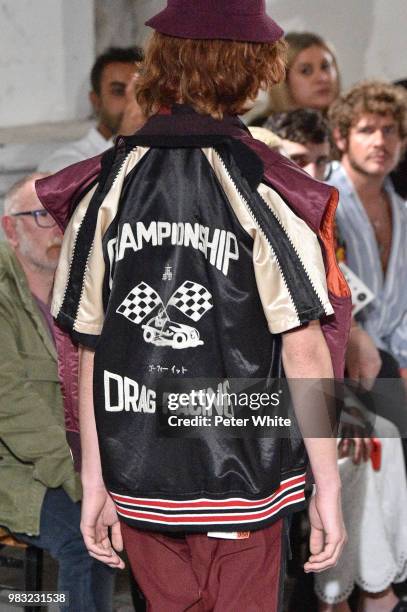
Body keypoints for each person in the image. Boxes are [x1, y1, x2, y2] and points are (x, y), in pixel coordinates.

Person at [36, 2, 352, 610]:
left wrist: (95, 478)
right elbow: (304, 343)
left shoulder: (103, 187)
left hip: (139, 468)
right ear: (259, 67)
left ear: (162, 63)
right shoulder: (265, 186)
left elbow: (88, 348)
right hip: (244, 469)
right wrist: (329, 484)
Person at [267, 109, 407, 612]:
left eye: (321, 162)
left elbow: (356, 338)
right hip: (250, 400)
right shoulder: (258, 223)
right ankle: (350, 594)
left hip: (319, 389)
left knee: (381, 426)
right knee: (371, 433)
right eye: (297, 160)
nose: (311, 174)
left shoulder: (319, 226)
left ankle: (370, 590)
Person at [0, 174, 115, 611]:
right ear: (10, 228)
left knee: (158, 521)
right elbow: (9, 402)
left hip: (87, 459)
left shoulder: (88, 287)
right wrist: (79, 472)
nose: (58, 228)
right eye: (41, 216)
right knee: (88, 541)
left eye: (64, 216)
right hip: (18, 467)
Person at [328, 81, 407, 389]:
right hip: (338, 365)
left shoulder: (402, 211)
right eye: (366, 130)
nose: (379, 141)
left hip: (393, 368)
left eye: (389, 130)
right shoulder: (321, 200)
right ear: (341, 137)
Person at [38, 46, 144, 173]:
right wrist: (126, 142)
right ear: (96, 101)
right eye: (118, 91)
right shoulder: (66, 160)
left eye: (141, 91)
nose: (133, 102)